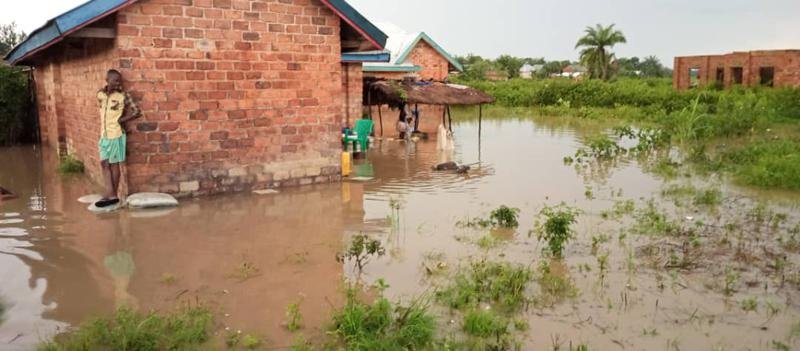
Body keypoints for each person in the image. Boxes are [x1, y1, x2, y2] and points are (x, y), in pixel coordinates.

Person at [95, 69, 141, 208]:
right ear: (107, 80)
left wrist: (122, 120)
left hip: (116, 135)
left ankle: (110, 194)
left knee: (114, 164)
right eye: (115, 81)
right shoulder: (100, 94)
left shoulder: (123, 96)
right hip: (104, 135)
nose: (118, 84)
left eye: (119, 81)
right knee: (104, 163)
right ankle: (111, 193)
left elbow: (137, 112)